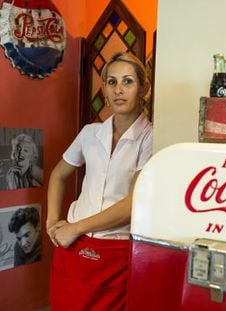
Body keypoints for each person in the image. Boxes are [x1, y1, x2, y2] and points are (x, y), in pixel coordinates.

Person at [46, 52, 153, 310]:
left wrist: (75, 227)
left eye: (127, 81)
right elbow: (58, 175)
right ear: (104, 88)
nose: (119, 90)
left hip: (115, 251)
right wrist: (51, 221)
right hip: (71, 247)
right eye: (112, 82)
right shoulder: (90, 133)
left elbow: (132, 204)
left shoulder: (151, 138)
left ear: (143, 89)